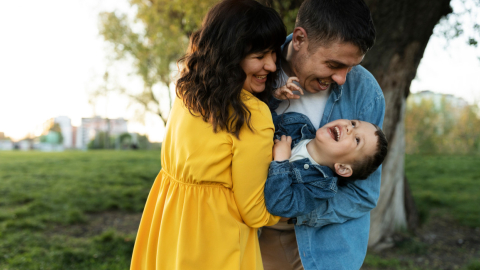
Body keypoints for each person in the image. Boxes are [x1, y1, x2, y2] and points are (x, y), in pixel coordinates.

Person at [129, 0, 286, 269]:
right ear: (230, 54)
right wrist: (281, 167)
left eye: (274, 54)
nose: (272, 66)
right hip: (217, 245)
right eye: (260, 56)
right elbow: (255, 212)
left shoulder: (186, 93)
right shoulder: (253, 116)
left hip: (169, 228)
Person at [258, 0, 386, 269]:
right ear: (301, 39)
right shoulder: (256, 67)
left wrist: (291, 206)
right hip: (258, 236)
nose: (342, 78)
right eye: (334, 64)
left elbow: (363, 194)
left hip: (329, 247)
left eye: (350, 67)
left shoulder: (366, 92)